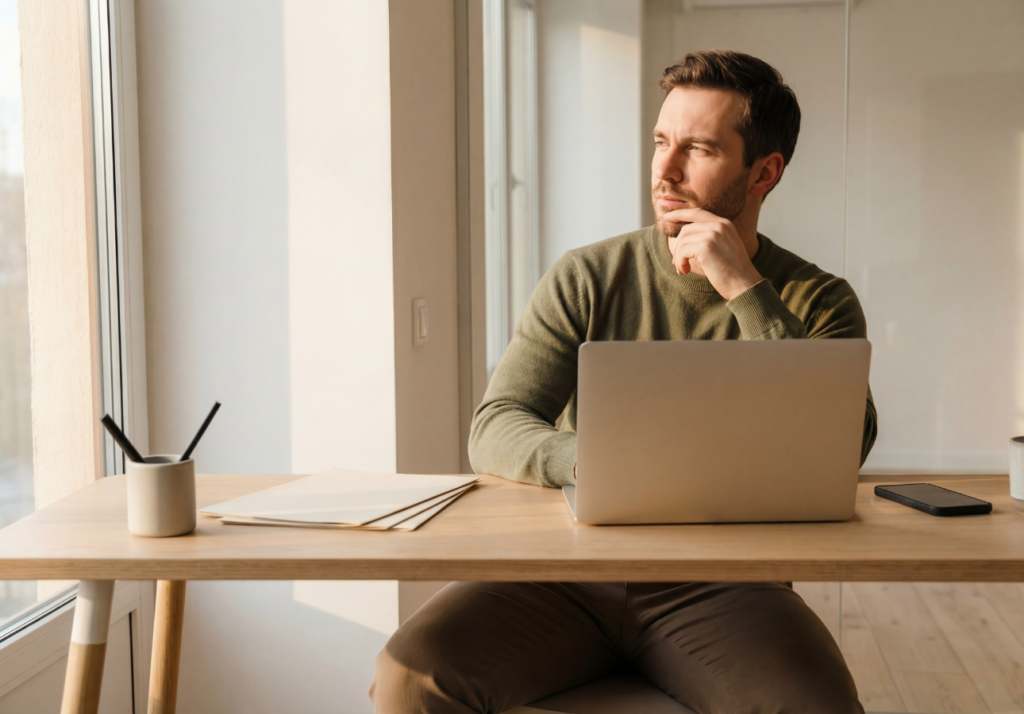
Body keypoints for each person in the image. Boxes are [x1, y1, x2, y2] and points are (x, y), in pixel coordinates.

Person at [370, 49, 876, 714]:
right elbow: (497, 424)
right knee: (410, 677)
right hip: (564, 573)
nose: (665, 170)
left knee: (815, 706)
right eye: (661, 141)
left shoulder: (819, 300)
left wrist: (745, 290)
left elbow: (840, 446)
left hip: (729, 583)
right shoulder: (586, 276)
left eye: (697, 149)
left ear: (764, 172)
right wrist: (604, 466)